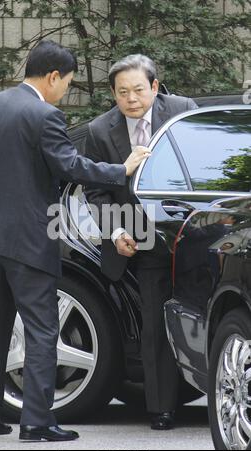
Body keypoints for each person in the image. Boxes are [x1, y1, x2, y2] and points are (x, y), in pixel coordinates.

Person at [0, 40, 150, 442]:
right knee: (43, 329)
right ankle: (37, 422)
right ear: (52, 76)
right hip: (28, 238)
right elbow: (70, 166)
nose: (66, 90)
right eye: (67, 82)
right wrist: (122, 168)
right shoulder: (45, 115)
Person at [84, 54, 198, 430]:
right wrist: (116, 233)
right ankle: (162, 408)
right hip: (143, 239)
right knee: (155, 322)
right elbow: (96, 192)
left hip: (192, 235)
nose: (131, 99)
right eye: (122, 93)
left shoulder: (182, 111)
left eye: (137, 90)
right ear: (114, 95)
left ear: (153, 86)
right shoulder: (101, 131)